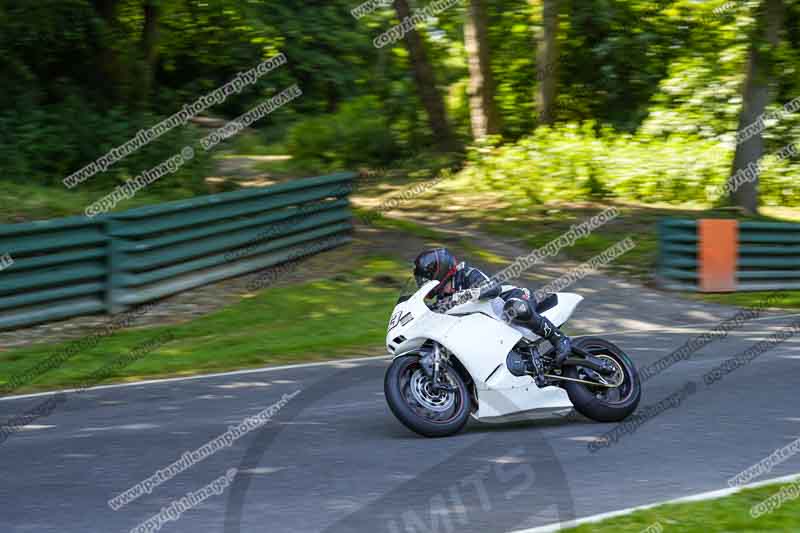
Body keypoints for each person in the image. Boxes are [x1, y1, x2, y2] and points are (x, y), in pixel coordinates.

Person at [412, 248, 572, 366]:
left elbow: (492, 288)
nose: (423, 283)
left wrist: (462, 296)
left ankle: (559, 339)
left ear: (439, 271)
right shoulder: (442, 300)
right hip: (491, 330)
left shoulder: (467, 274)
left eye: (425, 278)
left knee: (515, 307)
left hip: (512, 299)